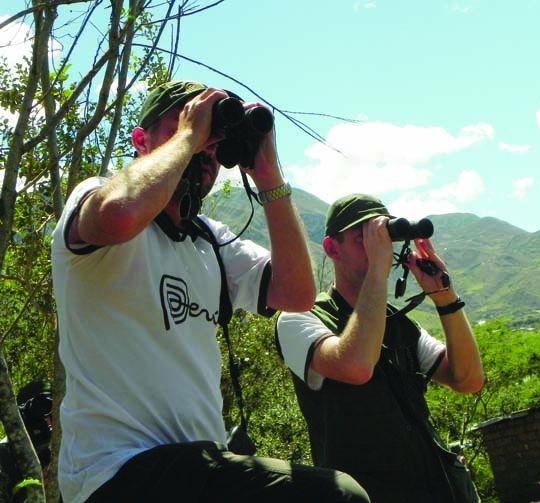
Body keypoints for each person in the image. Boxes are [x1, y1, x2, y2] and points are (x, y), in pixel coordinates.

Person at [51, 81, 368, 503]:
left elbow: (296, 293)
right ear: (141, 141)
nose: (204, 151)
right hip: (114, 472)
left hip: (198, 468)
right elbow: (121, 212)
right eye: (185, 126)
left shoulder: (210, 241)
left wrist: (268, 174)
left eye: (213, 142)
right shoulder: (95, 196)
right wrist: (190, 135)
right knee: (337, 496)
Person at [276, 194, 486, 502]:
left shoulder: (398, 325)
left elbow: (468, 380)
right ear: (333, 248)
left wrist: (446, 299)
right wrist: (377, 270)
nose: (379, 247)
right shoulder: (300, 317)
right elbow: (357, 366)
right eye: (364, 239)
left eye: (382, 237)